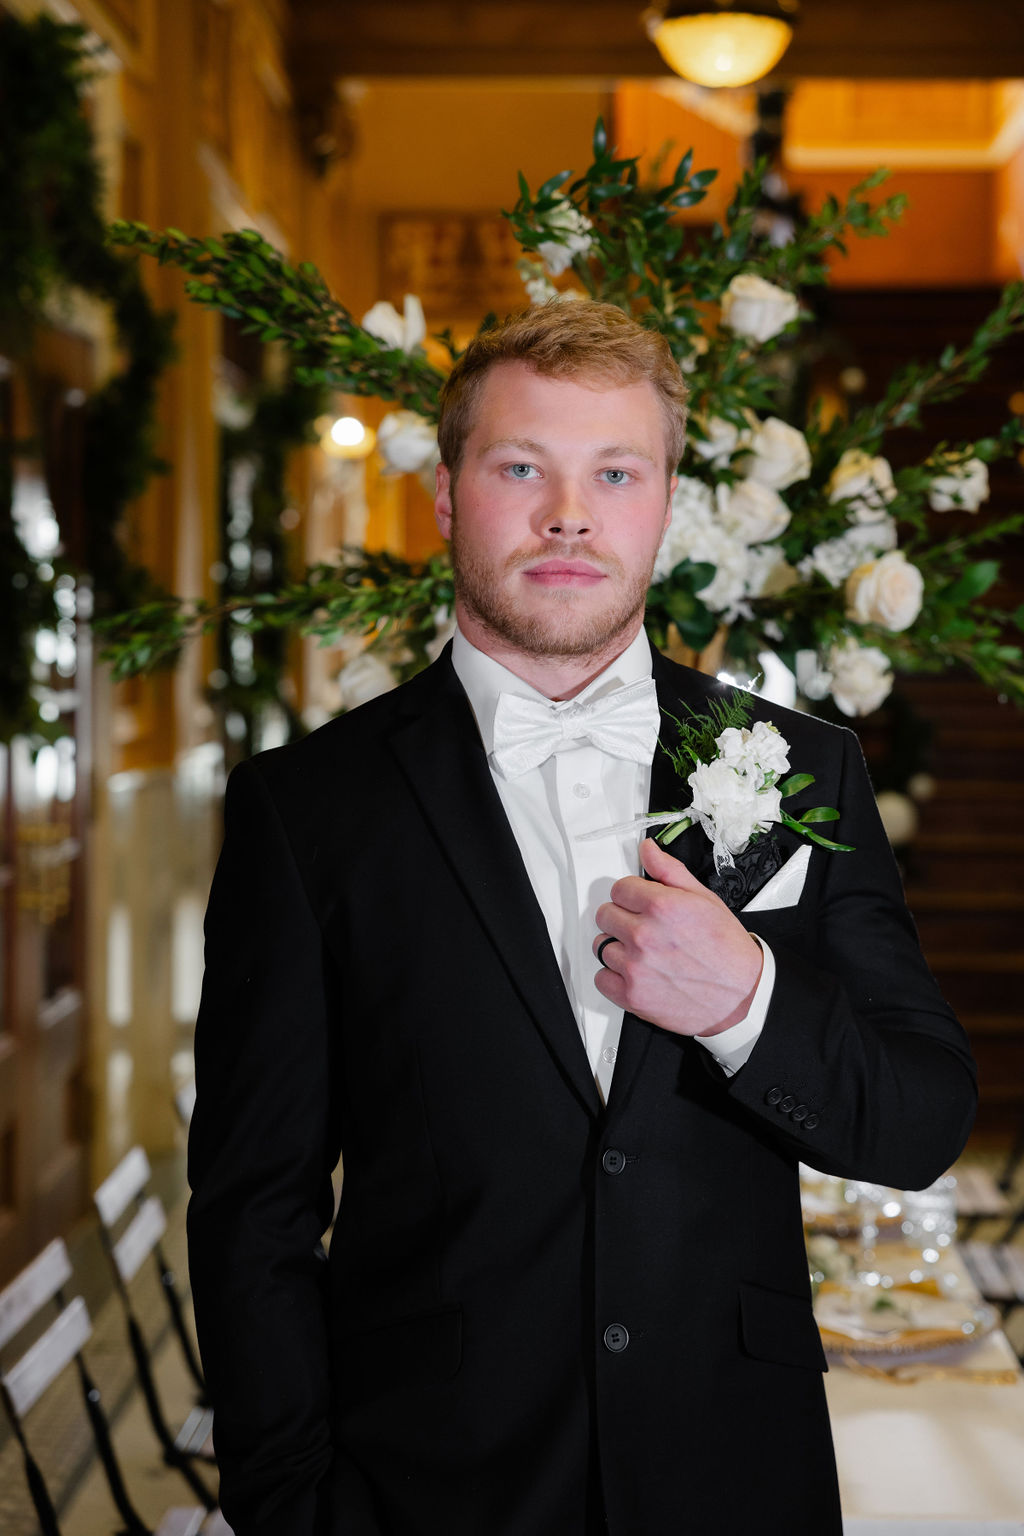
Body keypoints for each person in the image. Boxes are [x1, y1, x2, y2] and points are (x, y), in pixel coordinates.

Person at [187, 300, 977, 1536]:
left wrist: (746, 1006)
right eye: (520, 468)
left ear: (664, 503)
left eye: (614, 472)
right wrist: (289, 1505)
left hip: (735, 1478)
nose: (569, 512)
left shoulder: (798, 770)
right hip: (427, 1485)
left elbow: (918, 1120)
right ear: (446, 496)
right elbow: (254, 1203)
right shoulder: (308, 808)